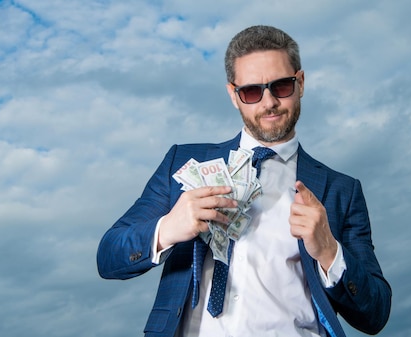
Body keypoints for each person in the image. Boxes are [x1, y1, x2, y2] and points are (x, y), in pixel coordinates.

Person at [97, 25, 391, 337]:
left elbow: (376, 314)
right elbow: (109, 256)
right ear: (233, 95)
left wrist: (330, 251)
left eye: (281, 87)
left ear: (300, 83)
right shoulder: (181, 163)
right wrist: (169, 227)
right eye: (251, 92)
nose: (268, 104)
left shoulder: (341, 191)